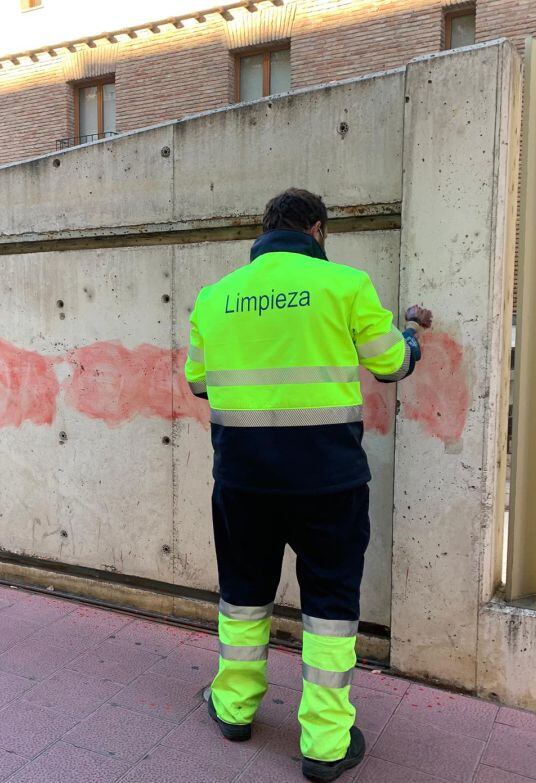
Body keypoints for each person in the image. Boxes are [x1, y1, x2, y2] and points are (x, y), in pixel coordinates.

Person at [185, 188, 432, 782]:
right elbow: (391, 363)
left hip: (243, 482)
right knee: (329, 607)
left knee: (244, 595)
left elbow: (198, 383)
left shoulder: (214, 297)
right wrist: (412, 334)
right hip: (329, 483)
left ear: (263, 231)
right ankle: (324, 743)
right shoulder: (344, 286)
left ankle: (235, 706)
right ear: (316, 231)